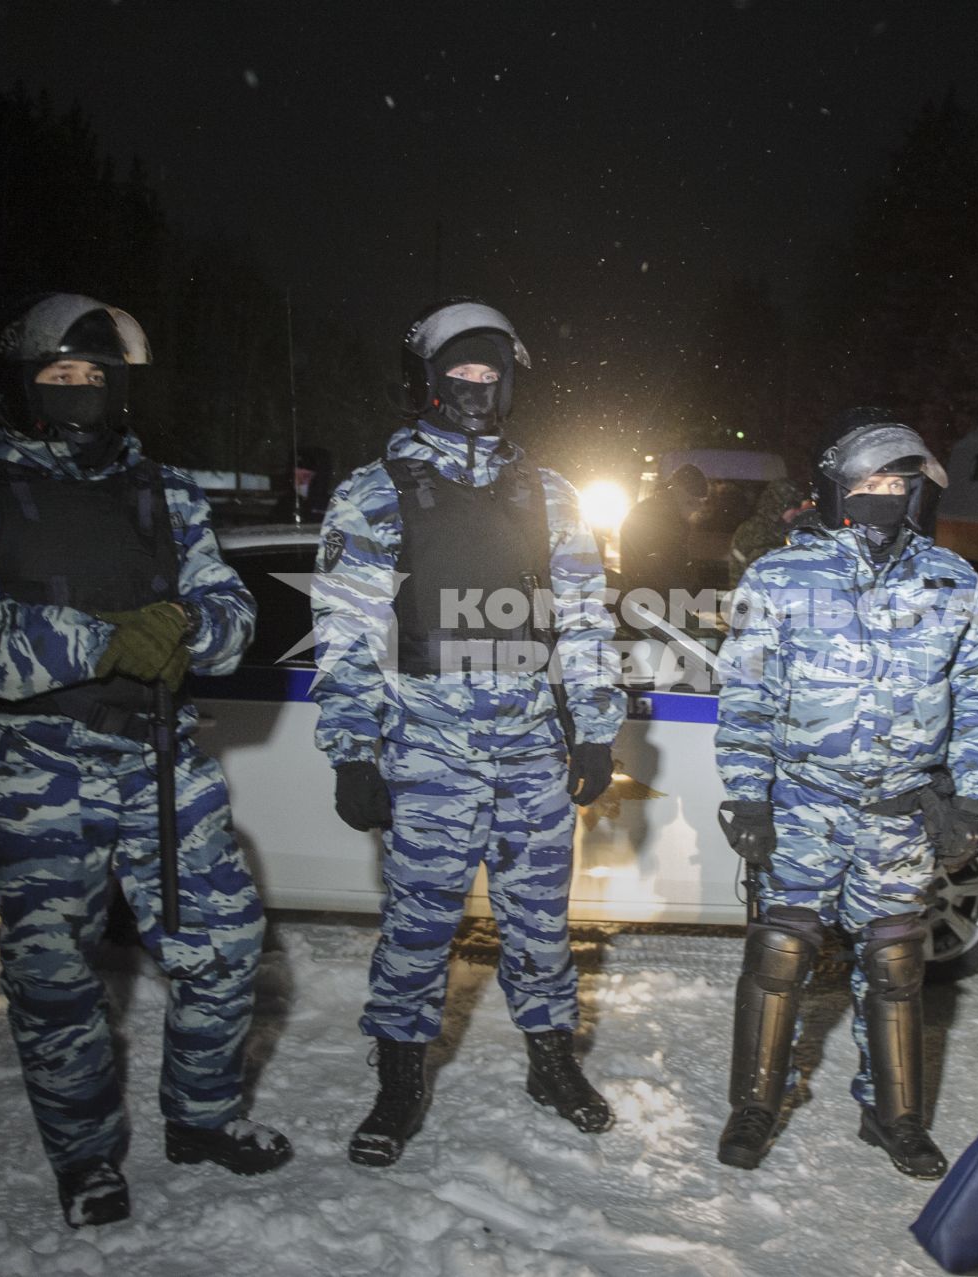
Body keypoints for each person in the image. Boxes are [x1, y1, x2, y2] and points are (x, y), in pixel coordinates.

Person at [0, 293, 289, 1229]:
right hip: (39, 769)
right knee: (54, 977)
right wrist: (109, 640)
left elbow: (233, 616)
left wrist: (193, 626)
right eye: (59, 376)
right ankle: (84, 1159)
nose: (79, 391)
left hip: (163, 759)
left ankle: (201, 1118)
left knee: (226, 945)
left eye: (95, 376)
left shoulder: (166, 492)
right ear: (22, 385)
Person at [312, 298, 623, 1168]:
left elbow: (587, 619)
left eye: (493, 374)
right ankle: (400, 1078)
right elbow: (345, 631)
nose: (478, 388)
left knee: (540, 920)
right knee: (418, 923)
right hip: (427, 743)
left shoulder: (549, 492)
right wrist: (351, 751)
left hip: (531, 743)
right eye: (462, 372)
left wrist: (595, 730)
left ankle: (551, 1062)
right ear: (428, 381)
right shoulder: (376, 491)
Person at [712, 408, 978, 1179]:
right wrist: (747, 794)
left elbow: (975, 693)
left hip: (900, 811)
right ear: (836, 489)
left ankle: (894, 1113)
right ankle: (754, 1103)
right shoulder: (779, 575)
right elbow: (744, 696)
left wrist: (974, 797)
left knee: (897, 961)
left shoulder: (951, 579)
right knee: (781, 952)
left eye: (899, 482)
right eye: (869, 481)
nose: (885, 495)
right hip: (804, 801)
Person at [618, 462, 707, 600]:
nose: (696, 510)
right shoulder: (663, 520)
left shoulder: (661, 513)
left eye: (700, 503)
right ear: (678, 491)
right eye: (691, 502)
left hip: (646, 598)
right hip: (656, 602)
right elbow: (665, 569)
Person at [726, 476, 809, 587]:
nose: (797, 512)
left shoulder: (789, 530)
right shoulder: (754, 531)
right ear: (778, 506)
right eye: (794, 507)